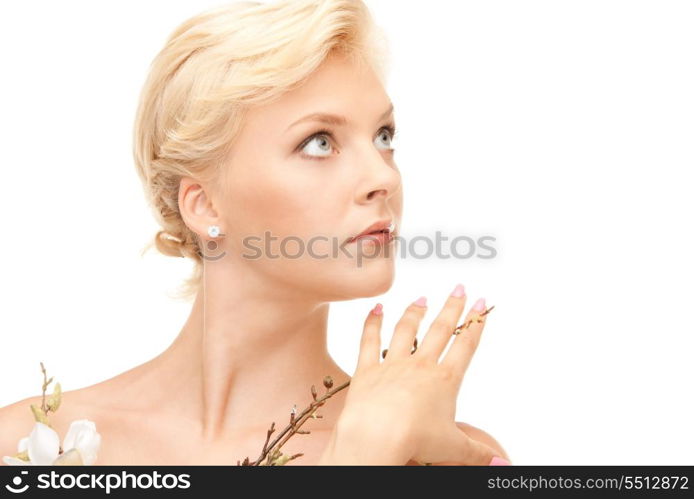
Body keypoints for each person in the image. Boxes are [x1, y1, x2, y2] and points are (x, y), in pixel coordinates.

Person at [0, 0, 510, 466]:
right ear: (204, 204)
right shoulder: (28, 442)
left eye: (383, 136)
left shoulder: (439, 457)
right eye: (319, 142)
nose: (384, 176)